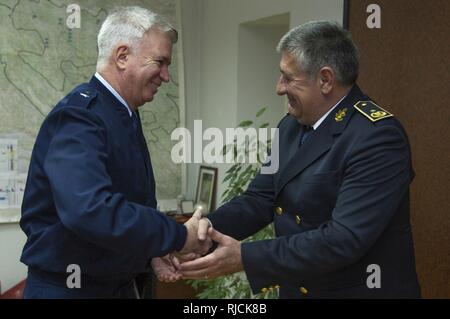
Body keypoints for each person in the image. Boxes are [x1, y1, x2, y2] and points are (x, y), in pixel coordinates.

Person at [177, 21, 421, 298]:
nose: (278, 88)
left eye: (288, 77)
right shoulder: (289, 127)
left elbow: (344, 239)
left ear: (325, 80)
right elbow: (260, 198)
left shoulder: (377, 137)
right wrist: (202, 232)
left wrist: (245, 256)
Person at [20, 6, 207, 298]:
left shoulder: (122, 113)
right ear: (122, 56)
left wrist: (150, 252)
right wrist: (179, 235)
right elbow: (90, 210)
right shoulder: (80, 117)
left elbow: (126, 202)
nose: (165, 76)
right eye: (160, 62)